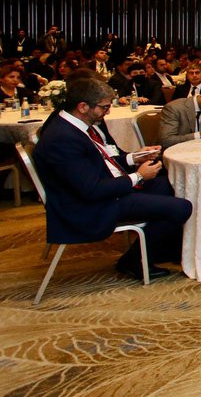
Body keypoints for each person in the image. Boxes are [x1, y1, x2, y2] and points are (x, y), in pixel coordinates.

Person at [32, 77, 191, 280]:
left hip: (101, 190)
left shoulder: (76, 126)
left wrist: (134, 158)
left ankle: (156, 248)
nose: (108, 112)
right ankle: (133, 261)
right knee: (181, 207)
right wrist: (139, 176)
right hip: (87, 206)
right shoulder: (62, 138)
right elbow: (91, 190)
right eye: (104, 107)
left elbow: (101, 162)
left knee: (170, 184)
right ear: (83, 107)